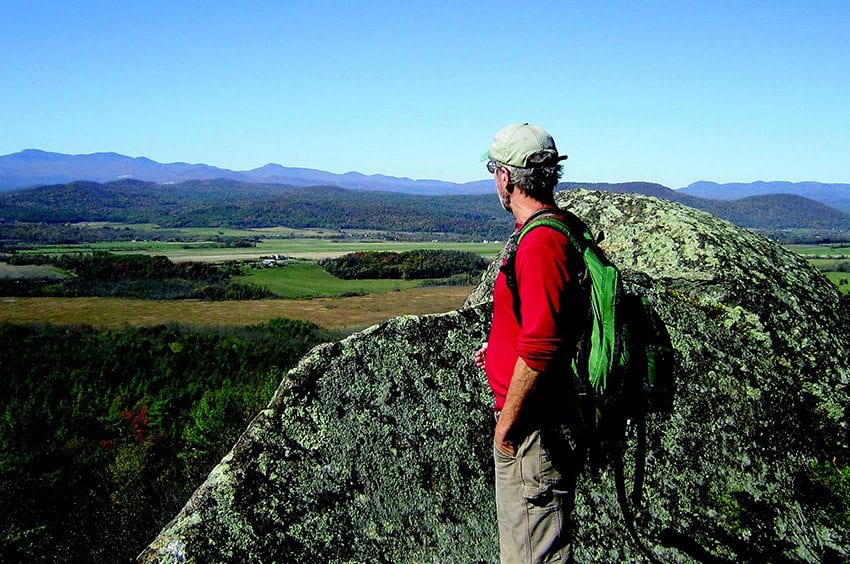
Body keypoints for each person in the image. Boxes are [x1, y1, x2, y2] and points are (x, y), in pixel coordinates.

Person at [474, 123, 585, 563]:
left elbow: (541, 346)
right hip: (538, 419)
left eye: (493, 172)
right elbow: (541, 323)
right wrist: (499, 349)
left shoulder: (539, 241)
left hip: (531, 429)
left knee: (530, 556)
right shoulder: (557, 227)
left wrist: (507, 430)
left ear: (505, 177)